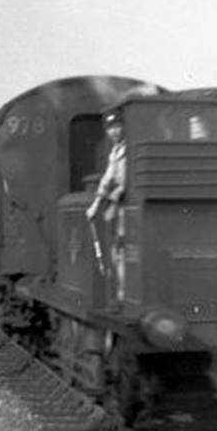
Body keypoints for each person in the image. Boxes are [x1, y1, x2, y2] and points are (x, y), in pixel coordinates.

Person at [86, 110, 127, 305]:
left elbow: (124, 181)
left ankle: (122, 296)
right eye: (111, 128)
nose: (115, 131)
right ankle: (118, 293)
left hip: (125, 205)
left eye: (118, 126)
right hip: (116, 205)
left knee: (121, 249)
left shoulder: (127, 149)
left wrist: (116, 193)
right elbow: (107, 179)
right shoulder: (115, 151)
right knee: (115, 251)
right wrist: (95, 204)